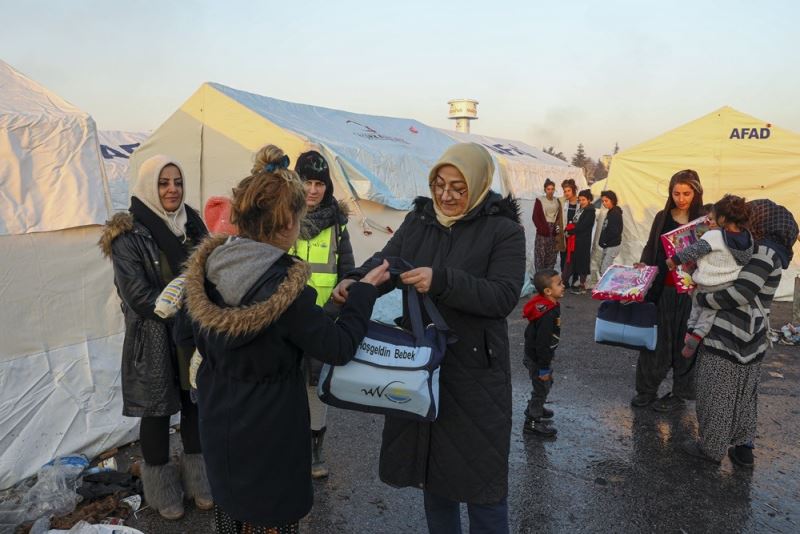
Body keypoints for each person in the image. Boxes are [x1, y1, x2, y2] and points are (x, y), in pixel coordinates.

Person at [181, 145, 390, 533]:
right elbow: (338, 346)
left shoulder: (210, 267)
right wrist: (363, 293)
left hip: (220, 422)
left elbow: (183, 331)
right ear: (288, 224)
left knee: (232, 513)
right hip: (270, 432)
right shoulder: (285, 290)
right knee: (271, 518)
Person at [332, 143, 525, 534]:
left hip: (475, 375)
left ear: (479, 183)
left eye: (458, 187)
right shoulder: (420, 221)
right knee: (434, 476)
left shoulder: (503, 231)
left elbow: (503, 296)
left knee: (483, 485)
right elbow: (386, 262)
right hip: (423, 366)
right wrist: (356, 282)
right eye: (439, 184)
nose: (446, 195)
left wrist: (443, 281)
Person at [99, 155, 211, 520]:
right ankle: (163, 493)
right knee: (157, 413)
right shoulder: (128, 234)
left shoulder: (193, 225)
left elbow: (209, 273)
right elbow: (137, 295)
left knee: (195, 405)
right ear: (150, 185)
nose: (172, 189)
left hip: (191, 336)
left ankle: (200, 482)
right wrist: (190, 300)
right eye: (164, 183)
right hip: (153, 339)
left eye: (177, 182)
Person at [683, 199, 799, 465]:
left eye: (751, 216)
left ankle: (711, 448)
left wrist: (702, 299)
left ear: (762, 221)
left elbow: (741, 292)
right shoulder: (767, 251)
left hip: (730, 333)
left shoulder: (764, 253)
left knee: (717, 391)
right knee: (744, 395)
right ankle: (743, 448)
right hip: (753, 337)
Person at [289, 150, 355, 479]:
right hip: (285, 319)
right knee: (286, 386)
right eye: (307, 182)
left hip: (322, 320)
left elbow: (348, 272)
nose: (313, 190)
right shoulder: (281, 218)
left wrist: (335, 305)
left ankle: (315, 452)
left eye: (319, 183)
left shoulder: (337, 225)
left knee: (316, 388)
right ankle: (289, 448)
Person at [631, 169, 704, 412]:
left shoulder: (705, 221)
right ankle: (647, 390)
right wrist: (645, 266)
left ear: (696, 192)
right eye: (676, 193)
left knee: (686, 344)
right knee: (656, 342)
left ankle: (680, 394)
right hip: (664, 291)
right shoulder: (663, 217)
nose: (681, 198)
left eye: (686, 193)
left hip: (692, 295)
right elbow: (652, 247)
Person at [666, 195, 753, 358]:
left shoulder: (714, 236)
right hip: (727, 285)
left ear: (723, 218)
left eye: (713, 218)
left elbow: (694, 250)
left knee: (696, 307)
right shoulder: (747, 238)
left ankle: (691, 333)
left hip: (706, 283)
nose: (709, 222)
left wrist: (674, 260)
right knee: (709, 313)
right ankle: (696, 335)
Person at [522, 269, 565, 438]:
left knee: (545, 385)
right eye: (559, 284)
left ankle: (536, 406)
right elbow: (542, 344)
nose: (564, 286)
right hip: (538, 358)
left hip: (539, 356)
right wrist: (544, 368)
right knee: (541, 387)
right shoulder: (547, 314)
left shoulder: (550, 304)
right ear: (547, 291)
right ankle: (532, 422)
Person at [563, 189, 596, 294]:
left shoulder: (590, 211)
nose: (581, 202)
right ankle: (564, 282)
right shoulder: (581, 209)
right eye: (580, 200)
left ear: (589, 200)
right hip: (575, 240)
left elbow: (583, 226)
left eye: (584, 200)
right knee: (571, 261)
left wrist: (570, 230)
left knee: (581, 262)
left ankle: (582, 285)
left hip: (582, 241)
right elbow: (575, 222)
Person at [532, 178, 564, 271]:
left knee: (551, 254)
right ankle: (540, 276)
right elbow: (535, 216)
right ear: (545, 190)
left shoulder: (557, 201)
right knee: (540, 253)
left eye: (552, 189)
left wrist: (556, 228)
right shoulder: (540, 200)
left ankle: (548, 275)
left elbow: (558, 217)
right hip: (543, 229)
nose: (550, 191)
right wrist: (541, 228)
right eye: (548, 189)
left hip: (553, 230)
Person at [597, 190, 623, 276]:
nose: (604, 203)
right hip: (609, 245)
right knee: (604, 268)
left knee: (605, 269)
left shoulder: (615, 213)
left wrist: (605, 241)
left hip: (612, 245)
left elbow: (615, 231)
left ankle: (606, 288)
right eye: (603, 201)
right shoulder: (611, 212)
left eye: (606, 201)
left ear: (612, 200)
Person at [559, 179, 579, 286]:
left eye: (568, 191)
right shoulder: (563, 202)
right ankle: (564, 280)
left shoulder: (580, 203)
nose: (566, 193)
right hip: (565, 234)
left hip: (576, 235)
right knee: (564, 256)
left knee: (574, 257)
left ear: (573, 190)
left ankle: (575, 279)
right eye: (564, 191)